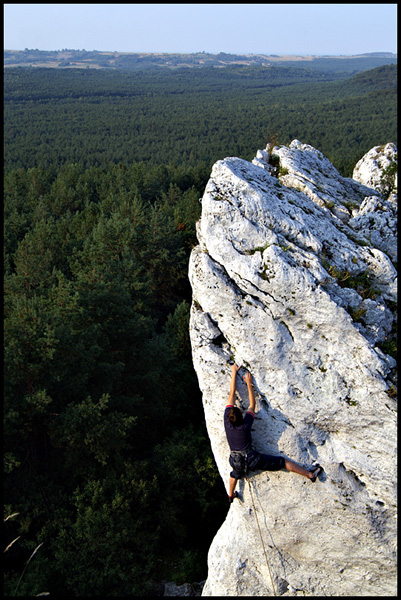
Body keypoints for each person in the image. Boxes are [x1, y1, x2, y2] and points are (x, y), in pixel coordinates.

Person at [224, 363, 323, 503]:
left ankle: (230, 495)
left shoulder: (227, 420)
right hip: (252, 460)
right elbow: (252, 405)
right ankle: (309, 474)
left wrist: (233, 372)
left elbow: (232, 392)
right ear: (240, 415)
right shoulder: (245, 425)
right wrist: (248, 383)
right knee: (281, 462)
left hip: (236, 460)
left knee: (234, 474)